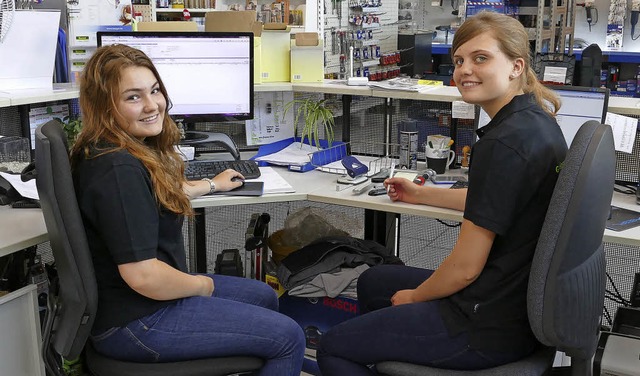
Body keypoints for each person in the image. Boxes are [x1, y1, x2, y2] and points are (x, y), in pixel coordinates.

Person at [316, 11, 568, 375]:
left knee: (334, 347)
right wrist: (421, 195)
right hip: (516, 305)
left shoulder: (503, 144)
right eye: (459, 61)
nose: (465, 70)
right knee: (374, 282)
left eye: (481, 58)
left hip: (481, 324)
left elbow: (465, 269)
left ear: (516, 66)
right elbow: (494, 200)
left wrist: (414, 299)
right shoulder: (536, 122)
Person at [70, 44, 305, 375]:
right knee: (289, 338)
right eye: (133, 97)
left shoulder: (110, 149)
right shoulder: (117, 170)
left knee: (263, 297)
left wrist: (211, 184)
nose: (152, 105)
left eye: (154, 91)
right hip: (136, 322)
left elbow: (150, 195)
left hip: (137, 304)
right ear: (105, 107)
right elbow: (144, 275)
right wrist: (201, 286)